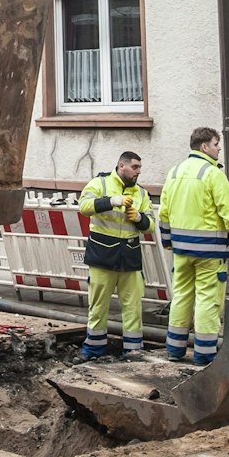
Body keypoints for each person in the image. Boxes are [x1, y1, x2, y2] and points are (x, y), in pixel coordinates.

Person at [158, 127, 229, 365]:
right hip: (211, 252)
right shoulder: (213, 174)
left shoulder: (174, 172)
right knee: (208, 300)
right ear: (204, 147)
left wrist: (168, 241)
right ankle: (204, 354)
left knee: (181, 297)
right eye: (215, 144)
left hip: (181, 250)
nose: (219, 148)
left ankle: (175, 350)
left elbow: (164, 213)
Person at [77, 150, 153, 360]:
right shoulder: (99, 184)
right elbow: (83, 206)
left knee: (132, 306)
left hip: (129, 257)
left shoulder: (142, 193)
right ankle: (93, 350)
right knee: (98, 306)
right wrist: (112, 201)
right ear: (121, 165)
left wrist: (139, 218)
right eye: (135, 167)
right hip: (103, 255)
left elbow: (150, 225)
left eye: (139, 168)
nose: (138, 172)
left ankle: (133, 350)